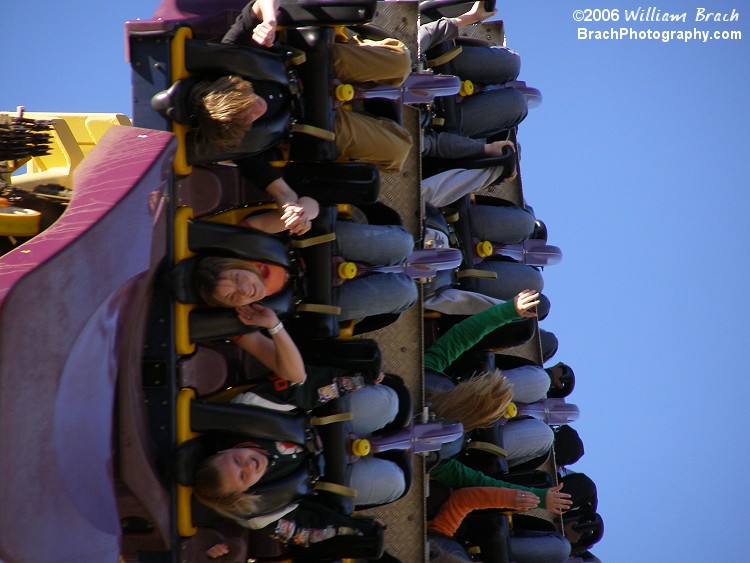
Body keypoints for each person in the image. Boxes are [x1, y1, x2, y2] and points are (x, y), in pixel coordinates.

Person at [191, 0, 414, 204]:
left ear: (239, 87)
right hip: (313, 121)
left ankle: (365, 68)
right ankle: (374, 114)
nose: (255, 112)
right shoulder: (236, 138)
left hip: (312, 66)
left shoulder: (230, 57)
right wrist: (289, 205)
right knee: (399, 151)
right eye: (248, 120)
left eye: (248, 105)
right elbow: (277, 188)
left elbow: (260, 4)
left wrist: (268, 21)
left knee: (401, 64)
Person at [193, 384, 405, 546]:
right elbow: (307, 531)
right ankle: (394, 451)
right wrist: (357, 528)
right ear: (243, 492)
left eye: (237, 461)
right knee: (397, 482)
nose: (249, 465)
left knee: (390, 402)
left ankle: (389, 428)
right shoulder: (259, 514)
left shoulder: (247, 410)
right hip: (335, 477)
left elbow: (302, 387)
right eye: (242, 477)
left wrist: (354, 379)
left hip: (328, 421)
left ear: (224, 450)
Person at [419, 2, 528, 159]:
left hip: (432, 64)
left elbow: (417, 41)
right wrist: (485, 149)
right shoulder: (395, 132)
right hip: (440, 121)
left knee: (512, 63)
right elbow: (434, 144)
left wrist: (468, 18)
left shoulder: (385, 63)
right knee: (518, 104)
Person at [428, 486, 572, 563]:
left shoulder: (437, 541)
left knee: (562, 548)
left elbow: (461, 501)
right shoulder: (439, 539)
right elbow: (461, 501)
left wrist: (513, 499)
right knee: (562, 548)